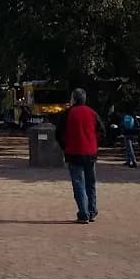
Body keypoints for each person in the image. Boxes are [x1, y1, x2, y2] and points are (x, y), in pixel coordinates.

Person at [55, 88, 101, 224]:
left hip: (74, 152)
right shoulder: (92, 113)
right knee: (90, 183)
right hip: (90, 152)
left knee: (79, 183)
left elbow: (59, 134)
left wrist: (65, 146)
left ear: (73, 99)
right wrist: (94, 144)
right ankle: (92, 211)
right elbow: (101, 131)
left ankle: (83, 213)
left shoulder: (67, 114)